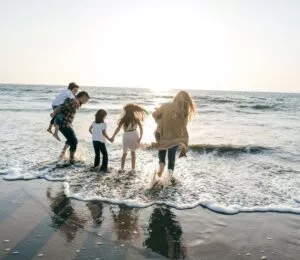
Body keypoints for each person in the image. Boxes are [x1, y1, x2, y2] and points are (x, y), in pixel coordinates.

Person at [152, 91, 195, 181]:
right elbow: (183, 126)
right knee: (171, 157)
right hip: (175, 138)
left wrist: (160, 119)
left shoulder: (166, 105)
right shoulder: (184, 113)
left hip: (162, 134)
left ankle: (161, 167)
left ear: (176, 97)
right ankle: (169, 176)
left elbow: (154, 114)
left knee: (162, 151)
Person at [54, 91, 90, 163]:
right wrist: (54, 114)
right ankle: (71, 158)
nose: (86, 101)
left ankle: (62, 153)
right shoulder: (73, 101)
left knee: (71, 139)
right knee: (74, 141)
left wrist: (70, 122)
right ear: (82, 97)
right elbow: (62, 107)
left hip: (66, 124)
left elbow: (67, 111)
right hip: (63, 124)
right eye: (86, 99)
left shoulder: (76, 102)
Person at [111, 104, 148, 173]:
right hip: (134, 134)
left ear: (126, 111)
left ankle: (122, 168)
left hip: (126, 135)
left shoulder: (124, 119)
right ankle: (133, 169)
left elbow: (118, 129)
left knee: (124, 153)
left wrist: (113, 136)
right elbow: (141, 128)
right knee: (133, 153)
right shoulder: (136, 119)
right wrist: (140, 137)